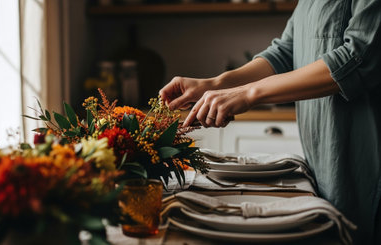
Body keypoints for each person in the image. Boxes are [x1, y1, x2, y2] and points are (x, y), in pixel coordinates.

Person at [159, 1, 381, 244]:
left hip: (368, 169)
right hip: (326, 170)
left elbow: (357, 57)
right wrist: (214, 84)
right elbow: (285, 52)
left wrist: (248, 93)